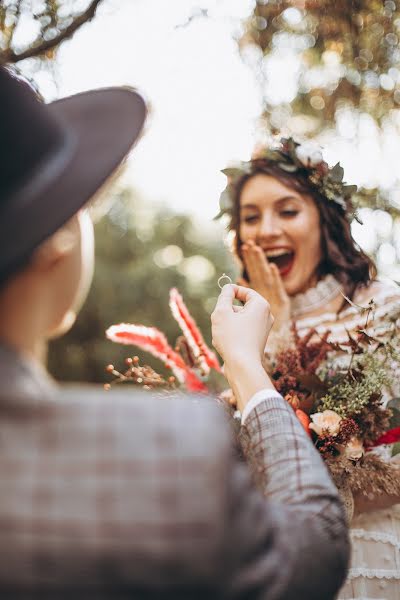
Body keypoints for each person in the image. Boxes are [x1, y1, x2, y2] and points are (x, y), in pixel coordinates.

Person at [0, 68, 348, 598]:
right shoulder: (175, 449)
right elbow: (313, 548)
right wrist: (248, 366)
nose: (268, 228)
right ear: (59, 236)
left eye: (287, 209)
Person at [217, 137, 400, 599]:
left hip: (376, 555)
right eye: (251, 217)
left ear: (324, 220)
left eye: (288, 210)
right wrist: (273, 319)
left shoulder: (384, 306)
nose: (265, 229)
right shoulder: (237, 326)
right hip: (282, 566)